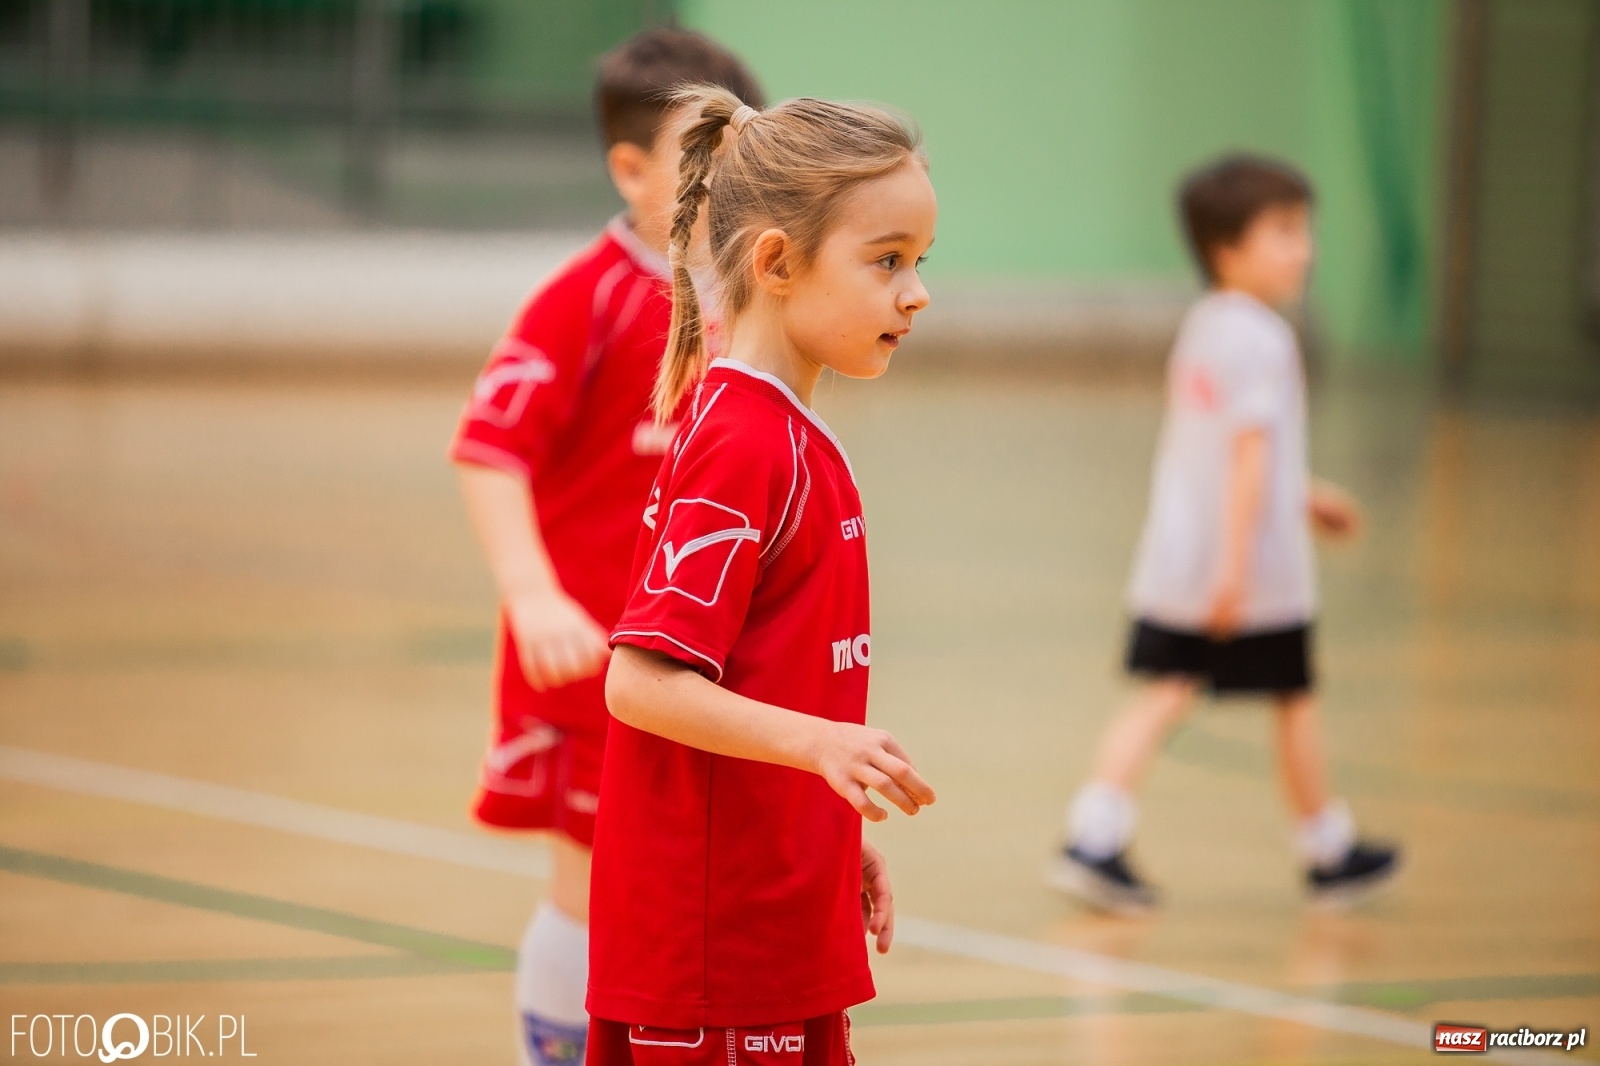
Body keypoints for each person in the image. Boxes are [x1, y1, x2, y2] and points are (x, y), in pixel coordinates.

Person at [588, 86, 938, 1065]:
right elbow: (641, 680)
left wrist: (818, 828)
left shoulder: (775, 431)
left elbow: (752, 679)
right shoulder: (746, 443)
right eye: (887, 261)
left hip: (767, 922)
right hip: (715, 959)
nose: (916, 293)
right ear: (776, 262)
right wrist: (821, 745)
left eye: (919, 262)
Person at [448, 29, 762, 1066]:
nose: (729, 181)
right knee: (587, 883)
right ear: (630, 170)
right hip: (593, 656)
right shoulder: (586, 296)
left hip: (700, 663)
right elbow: (489, 447)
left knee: (688, 887)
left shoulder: (749, 302)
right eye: (702, 158)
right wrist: (533, 595)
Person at [1050, 154, 1400, 915]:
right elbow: (1244, 460)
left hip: (1181, 559)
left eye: (1304, 230)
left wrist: (1305, 496)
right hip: (1250, 576)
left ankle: (1095, 833)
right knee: (1291, 697)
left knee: (1167, 692)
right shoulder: (1264, 340)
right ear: (1225, 248)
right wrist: (1236, 572)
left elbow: (1228, 457)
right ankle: (1325, 849)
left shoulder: (1206, 328)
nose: (1304, 247)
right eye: (1283, 232)